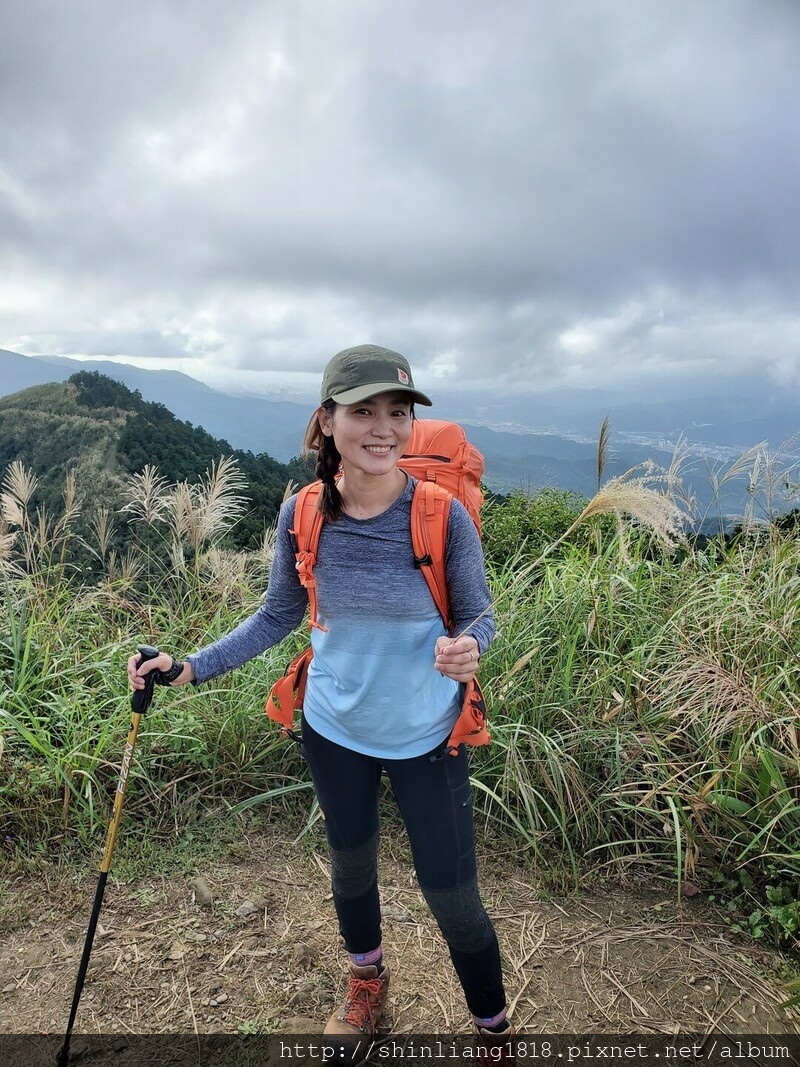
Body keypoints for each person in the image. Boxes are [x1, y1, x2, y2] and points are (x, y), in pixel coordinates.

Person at [128, 344, 512, 1043]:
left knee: (454, 899)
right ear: (326, 421)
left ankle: (493, 1033)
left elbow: (481, 613)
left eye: (397, 412)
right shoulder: (303, 515)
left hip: (429, 734)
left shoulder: (440, 515)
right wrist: (191, 666)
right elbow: (277, 613)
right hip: (334, 731)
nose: (383, 428)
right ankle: (367, 982)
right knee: (352, 867)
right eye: (362, 410)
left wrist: (472, 645)